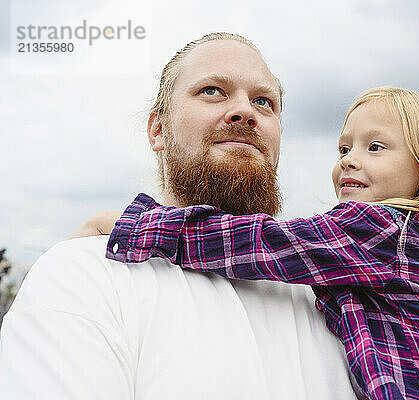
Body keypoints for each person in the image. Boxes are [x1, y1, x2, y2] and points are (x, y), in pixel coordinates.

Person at [82, 87, 419, 399]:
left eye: (375, 147)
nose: (350, 158)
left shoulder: (386, 229)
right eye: (344, 147)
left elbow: (258, 243)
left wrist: (138, 225)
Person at [0, 33, 360, 399]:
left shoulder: (337, 302)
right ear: (159, 130)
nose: (245, 111)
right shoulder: (83, 274)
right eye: (212, 91)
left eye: (264, 101)